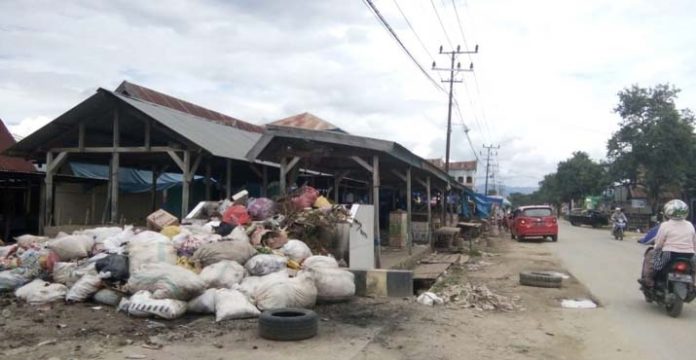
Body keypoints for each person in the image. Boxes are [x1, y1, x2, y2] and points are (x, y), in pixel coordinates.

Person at [640, 199, 696, 287]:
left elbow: (659, 242)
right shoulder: (690, 225)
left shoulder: (665, 225)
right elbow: (694, 242)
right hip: (689, 255)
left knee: (654, 264)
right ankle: (693, 283)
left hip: (669, 254)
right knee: (693, 269)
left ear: (668, 212)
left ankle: (648, 280)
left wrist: (656, 248)